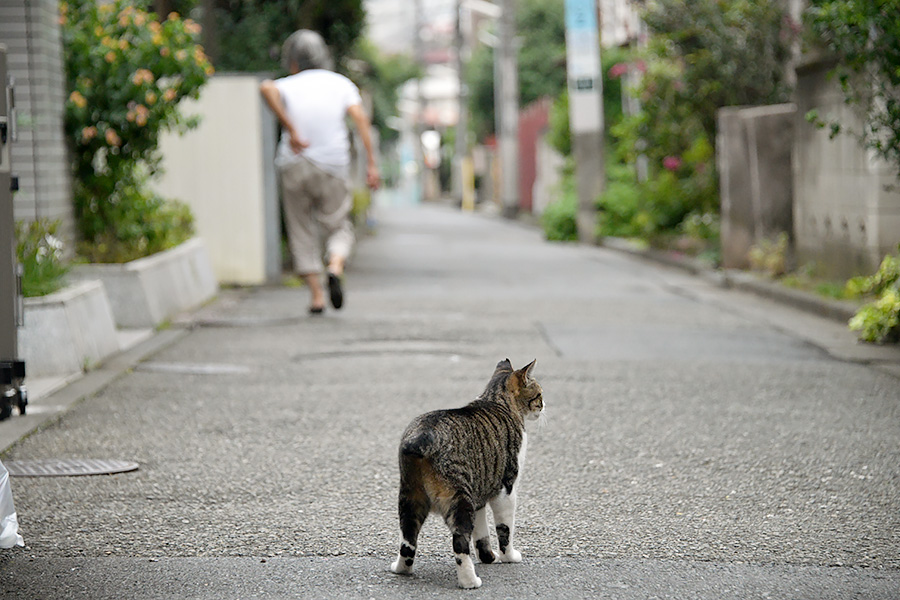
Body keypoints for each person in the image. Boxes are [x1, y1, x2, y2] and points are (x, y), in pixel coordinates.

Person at [260, 30, 380, 314]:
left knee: (301, 228)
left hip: (294, 164)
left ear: (292, 61)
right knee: (338, 224)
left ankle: (316, 297)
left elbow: (266, 87)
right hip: (333, 165)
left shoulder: (289, 83)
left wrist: (291, 130)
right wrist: (372, 164)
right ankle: (335, 266)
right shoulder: (341, 84)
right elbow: (360, 118)